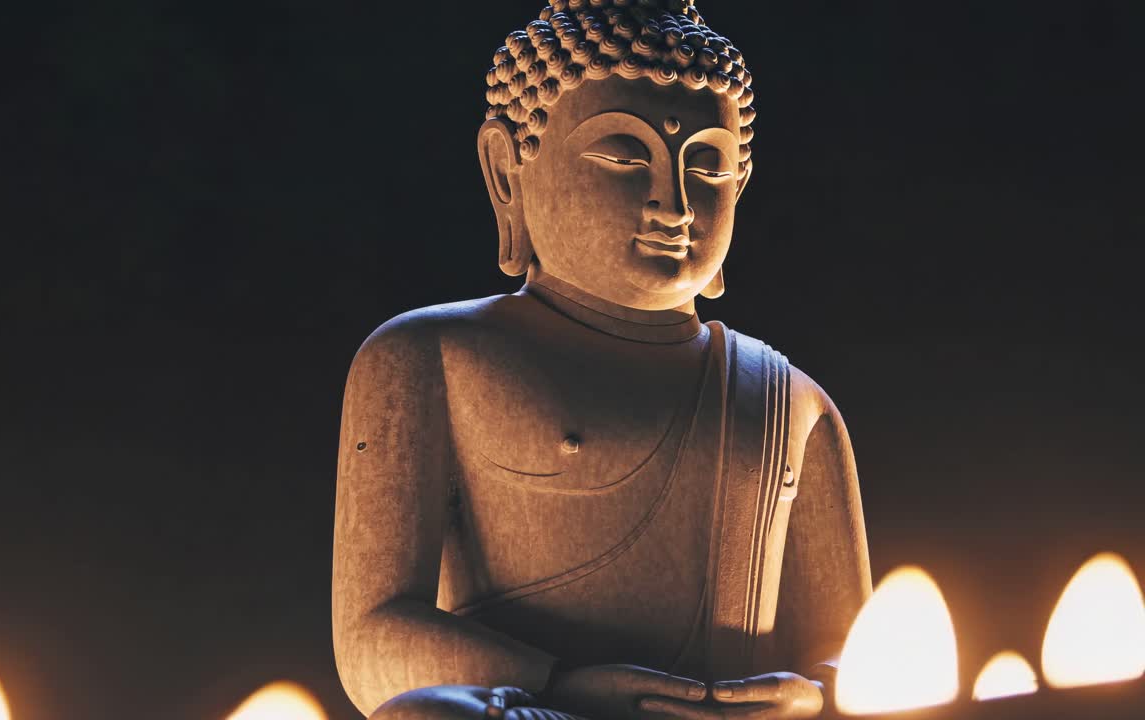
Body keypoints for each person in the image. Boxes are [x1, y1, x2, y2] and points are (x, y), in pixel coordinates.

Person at [333, 1, 871, 717]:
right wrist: (562, 686)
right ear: (506, 173)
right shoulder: (430, 358)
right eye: (624, 154)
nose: (673, 202)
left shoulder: (788, 402)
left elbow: (860, 655)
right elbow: (372, 640)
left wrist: (813, 696)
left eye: (707, 163)